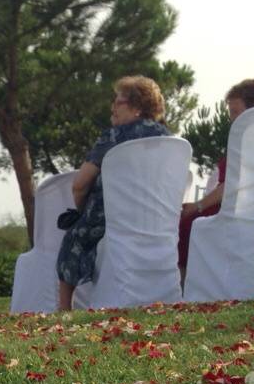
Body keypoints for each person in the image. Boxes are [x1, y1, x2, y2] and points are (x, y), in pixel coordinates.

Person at [56, 76, 171, 311]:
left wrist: (81, 210)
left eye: (118, 102)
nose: (112, 107)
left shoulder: (114, 137)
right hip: (155, 217)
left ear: (137, 108)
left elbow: (79, 185)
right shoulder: (168, 139)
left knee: (73, 238)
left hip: (112, 217)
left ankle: (64, 309)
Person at [177, 78, 254, 279]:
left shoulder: (247, 140)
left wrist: (197, 206)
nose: (231, 119)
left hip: (239, 213)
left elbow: (230, 186)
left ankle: (186, 287)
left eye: (235, 112)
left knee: (187, 223)